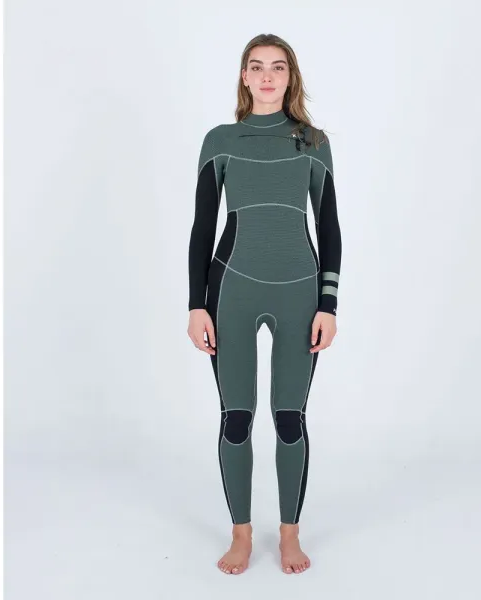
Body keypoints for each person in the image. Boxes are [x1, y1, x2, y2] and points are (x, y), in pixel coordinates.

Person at [187, 33, 342, 575]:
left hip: (300, 290)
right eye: (257, 67)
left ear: (289, 76)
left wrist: (329, 304)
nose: (267, 76)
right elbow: (202, 227)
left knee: (289, 417)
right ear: (245, 77)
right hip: (231, 289)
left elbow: (329, 226)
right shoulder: (220, 140)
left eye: (278, 67)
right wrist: (197, 305)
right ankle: (242, 534)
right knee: (236, 418)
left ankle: (290, 534)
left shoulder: (312, 142)